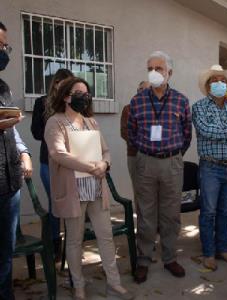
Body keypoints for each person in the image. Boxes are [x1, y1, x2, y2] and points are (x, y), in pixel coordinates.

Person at [44, 77, 134, 300]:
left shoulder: (91, 122)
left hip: (95, 189)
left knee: (106, 237)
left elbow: (106, 151)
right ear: (66, 97)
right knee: (74, 240)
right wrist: (90, 167)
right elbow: (58, 154)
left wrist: (104, 164)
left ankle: (114, 283)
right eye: (78, 92)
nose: (84, 97)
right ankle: (79, 285)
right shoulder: (55, 122)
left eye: (87, 93)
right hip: (73, 191)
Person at [128, 51, 192, 283]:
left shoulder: (181, 100)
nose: (154, 73)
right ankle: (143, 260)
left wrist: (173, 155)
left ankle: (169, 257)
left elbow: (187, 134)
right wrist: (148, 152)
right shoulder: (137, 100)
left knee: (171, 214)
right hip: (145, 161)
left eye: (159, 68)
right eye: (150, 68)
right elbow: (132, 133)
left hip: (172, 162)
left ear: (169, 72)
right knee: (145, 214)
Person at [192, 64, 227, 271]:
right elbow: (206, 131)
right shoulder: (199, 107)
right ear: (208, 86)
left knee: (225, 211)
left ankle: (223, 249)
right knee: (208, 212)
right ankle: (208, 253)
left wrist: (226, 131)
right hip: (210, 167)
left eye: (223, 80)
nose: (220, 84)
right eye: (215, 80)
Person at [0, 21, 33, 300]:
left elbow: (12, 129)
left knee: (5, 255)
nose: (3, 51)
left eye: (5, 46)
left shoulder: (3, 87)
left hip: (10, 184)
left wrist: (23, 152)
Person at [31, 68, 73, 260]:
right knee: (55, 202)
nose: (63, 87)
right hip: (48, 161)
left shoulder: (72, 105)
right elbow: (36, 131)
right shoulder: (42, 103)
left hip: (71, 162)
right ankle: (55, 244)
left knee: (73, 202)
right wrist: (54, 134)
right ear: (55, 83)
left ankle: (73, 244)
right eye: (61, 83)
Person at [120, 81, 150, 199]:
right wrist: (144, 144)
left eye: (147, 90)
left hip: (154, 157)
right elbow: (125, 132)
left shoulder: (156, 109)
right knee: (139, 191)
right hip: (135, 155)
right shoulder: (128, 109)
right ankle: (141, 217)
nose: (143, 92)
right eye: (141, 89)